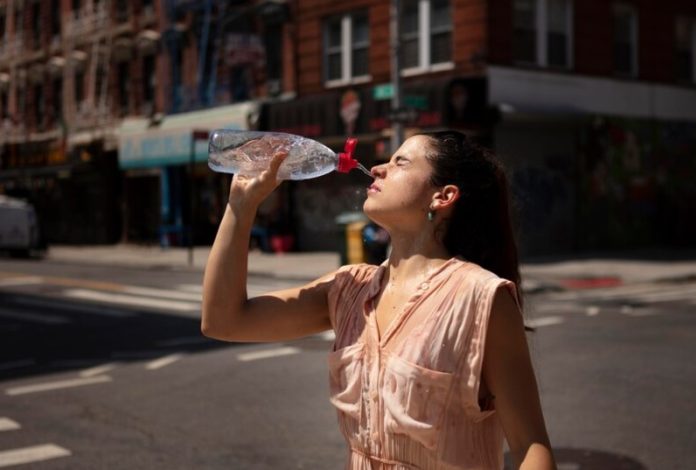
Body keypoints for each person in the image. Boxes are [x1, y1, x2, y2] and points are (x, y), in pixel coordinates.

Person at [202, 131, 556, 469]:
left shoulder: (481, 298)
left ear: (442, 197)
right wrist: (241, 206)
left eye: (400, 162)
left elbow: (529, 446)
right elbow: (224, 321)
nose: (376, 168)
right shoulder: (347, 289)